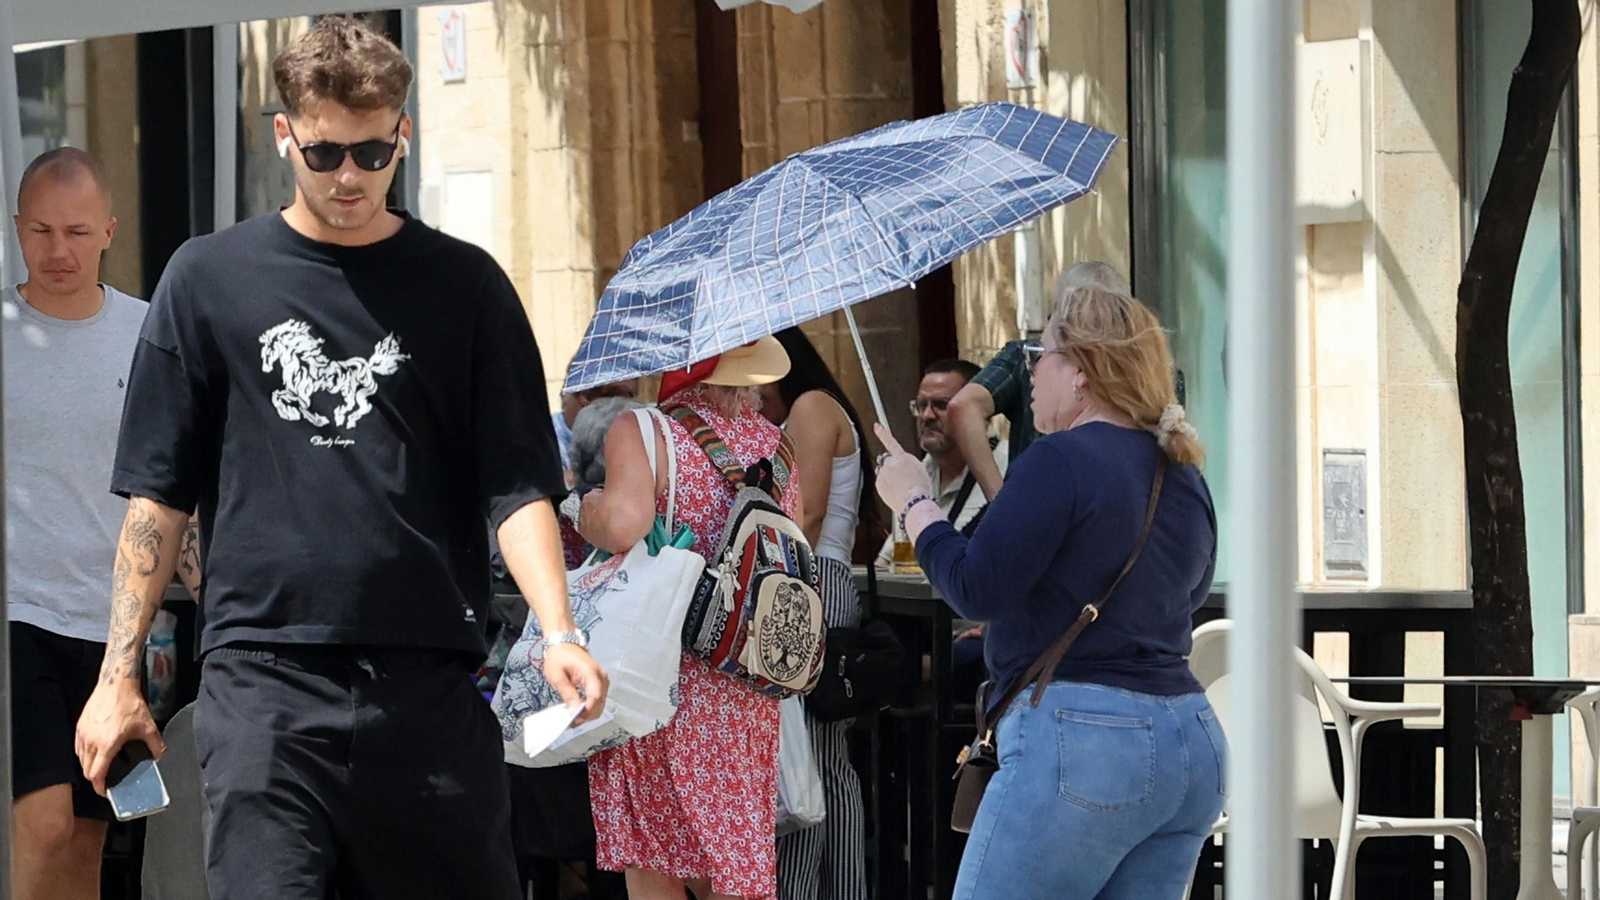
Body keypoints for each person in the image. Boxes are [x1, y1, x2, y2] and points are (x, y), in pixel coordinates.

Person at [73, 18, 607, 900]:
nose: (350, 176)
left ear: (404, 134)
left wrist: (559, 634)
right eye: (325, 154)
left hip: (429, 686)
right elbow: (156, 499)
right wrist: (116, 676)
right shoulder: (207, 280)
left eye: (372, 152)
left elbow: (517, 487)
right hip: (264, 688)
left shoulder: (467, 287)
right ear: (285, 134)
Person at [872, 286, 1225, 899]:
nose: (1029, 372)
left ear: (1081, 371)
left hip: (1086, 743)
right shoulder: (1183, 471)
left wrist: (913, 501)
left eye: (1041, 354)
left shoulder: (1057, 459)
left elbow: (974, 586)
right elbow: (1185, 597)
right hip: (1188, 743)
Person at [2, 148, 197, 900]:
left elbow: (177, 485)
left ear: (110, 231)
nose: (59, 250)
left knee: (88, 842)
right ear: (17, 228)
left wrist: (213, 592)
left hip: (115, 629)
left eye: (78, 232)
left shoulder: (151, 333)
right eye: (41, 231)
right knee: (43, 824)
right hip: (17, 616)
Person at [578, 337, 796, 900]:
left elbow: (622, 524)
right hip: (742, 681)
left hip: (656, 670)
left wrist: (586, 509)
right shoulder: (779, 447)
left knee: (654, 860)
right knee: (732, 863)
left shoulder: (644, 429)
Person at [759, 327, 874, 900]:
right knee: (824, 759)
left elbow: (803, 514)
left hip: (810, 577)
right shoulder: (815, 406)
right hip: (823, 578)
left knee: (806, 754)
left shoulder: (810, 406)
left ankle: (805, 887)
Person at [947, 260, 1130, 501]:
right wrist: (1002, 502)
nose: (1035, 373)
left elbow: (963, 406)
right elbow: (963, 406)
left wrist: (1002, 503)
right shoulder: (1148, 371)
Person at [876, 359, 1008, 565]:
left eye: (942, 405)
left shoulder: (1008, 465)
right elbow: (890, 559)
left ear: (979, 413)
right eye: (921, 405)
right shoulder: (919, 471)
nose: (927, 415)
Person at [554, 379, 642, 486]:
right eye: (612, 394)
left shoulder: (639, 429)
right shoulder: (545, 440)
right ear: (584, 397)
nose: (621, 403)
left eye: (629, 395)